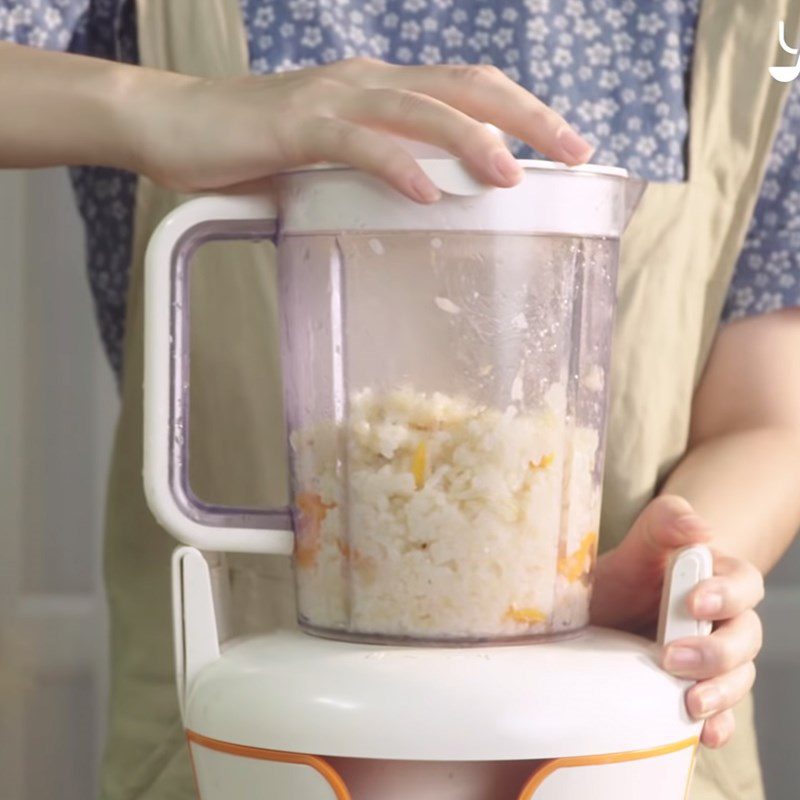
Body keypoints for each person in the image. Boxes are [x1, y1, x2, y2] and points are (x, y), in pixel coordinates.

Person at [2, 2, 799, 798]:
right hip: (253, 749)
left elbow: (767, 416)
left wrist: (684, 575)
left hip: (627, 745)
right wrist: (160, 107)